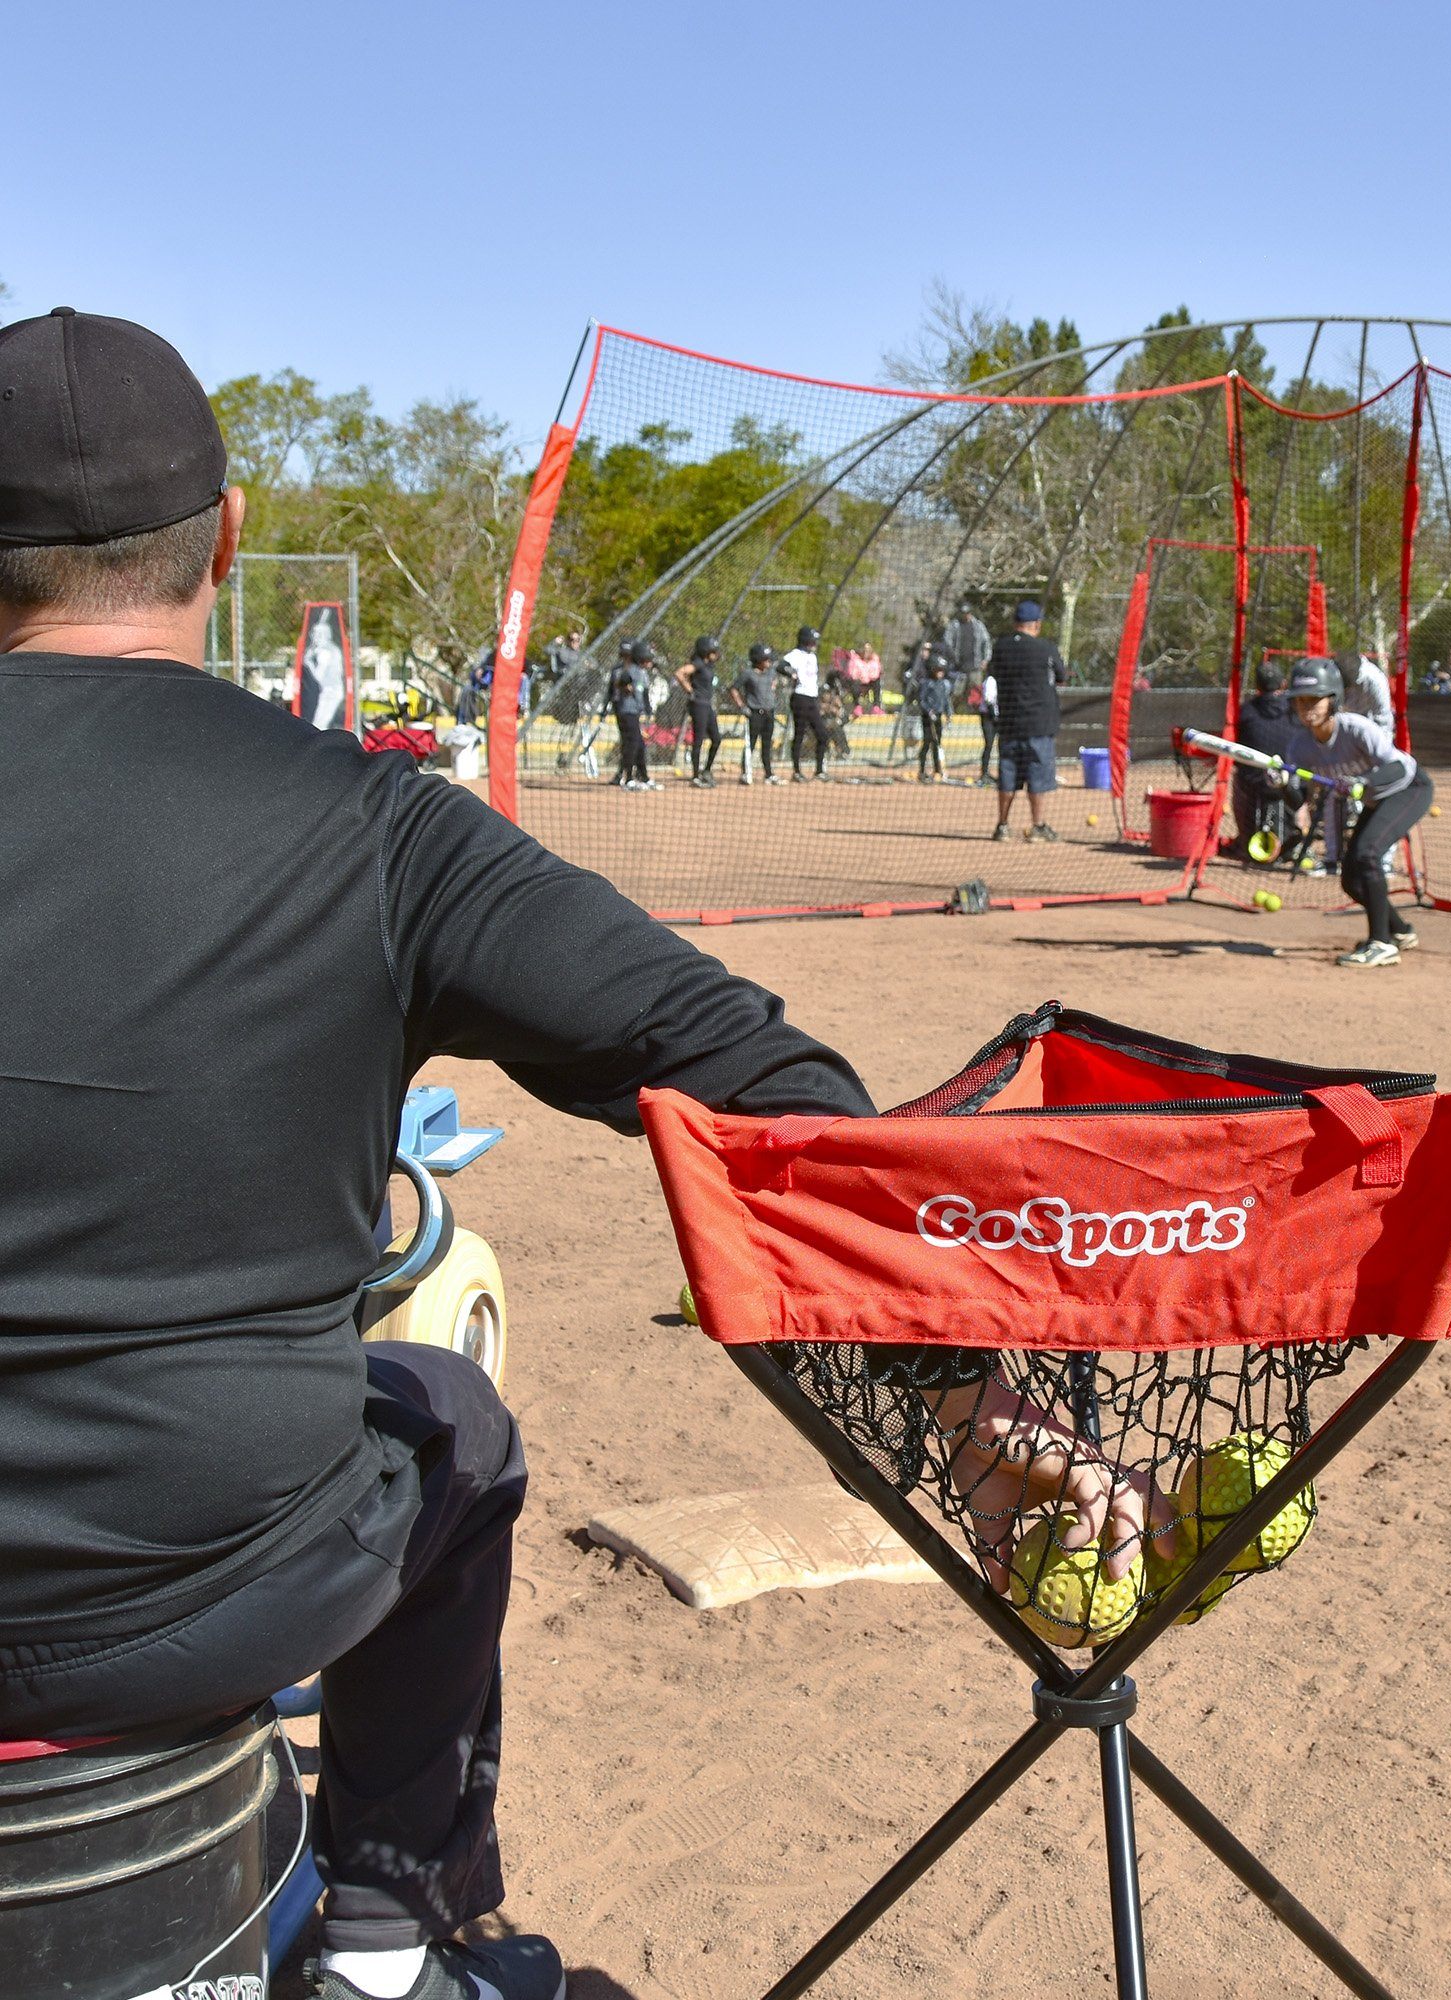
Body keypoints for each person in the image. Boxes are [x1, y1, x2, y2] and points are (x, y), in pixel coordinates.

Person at [0, 307, 1170, 2000]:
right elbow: (760, 1085)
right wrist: (962, 1394)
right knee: (448, 1418)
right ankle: (393, 1936)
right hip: (219, 1573)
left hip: (189, 1576)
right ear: (231, 535)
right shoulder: (375, 819)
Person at [1287, 658, 1429, 967]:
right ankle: (1400, 930)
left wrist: (1362, 782)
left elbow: (1398, 766)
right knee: (1350, 879)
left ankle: (1381, 943)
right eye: (1299, 701)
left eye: (1314, 700)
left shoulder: (1356, 728)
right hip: (1378, 798)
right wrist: (1282, 784)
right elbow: (1296, 793)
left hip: (1408, 789)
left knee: (1367, 854)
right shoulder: (1300, 745)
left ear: (1333, 700)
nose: (1306, 707)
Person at [988, 600, 1068, 843]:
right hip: (1039, 724)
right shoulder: (1046, 649)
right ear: (1037, 625)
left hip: (1010, 723)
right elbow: (1062, 677)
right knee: (1038, 777)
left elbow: (992, 673)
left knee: (1008, 775)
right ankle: (1038, 826)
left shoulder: (1001, 647)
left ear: (1015, 624)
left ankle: (1002, 825)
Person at [1230, 656, 1311, 853]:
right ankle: (1299, 835)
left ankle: (1245, 835)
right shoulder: (1296, 710)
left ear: (1257, 686)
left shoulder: (1245, 711)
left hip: (1255, 784)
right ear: (1283, 684)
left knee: (1238, 774)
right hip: (1291, 787)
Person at [783, 625, 831, 782]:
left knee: (822, 735)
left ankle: (819, 771)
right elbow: (781, 665)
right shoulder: (795, 654)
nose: (814, 644)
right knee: (799, 734)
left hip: (812, 698)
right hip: (800, 697)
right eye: (812, 641)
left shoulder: (813, 656)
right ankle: (796, 771)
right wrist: (792, 673)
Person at [675, 634, 723, 787]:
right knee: (699, 740)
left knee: (716, 738)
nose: (716, 654)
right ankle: (695, 776)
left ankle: (706, 770)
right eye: (713, 651)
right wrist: (690, 691)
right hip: (698, 704)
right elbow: (679, 673)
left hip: (707, 704)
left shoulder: (708, 666)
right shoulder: (699, 663)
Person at [604, 643, 654, 789]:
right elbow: (620, 683)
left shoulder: (642, 673)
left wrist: (648, 711)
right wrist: (625, 686)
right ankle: (628, 778)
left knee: (639, 745)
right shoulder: (629, 670)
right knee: (632, 744)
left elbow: (644, 694)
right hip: (626, 712)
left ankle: (643, 776)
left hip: (636, 712)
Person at [733, 640, 779, 784]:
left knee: (767, 745)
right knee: (750, 744)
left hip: (769, 713)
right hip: (754, 713)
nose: (768, 661)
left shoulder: (771, 672)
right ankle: (746, 773)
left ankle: (769, 774)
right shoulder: (748, 673)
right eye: (765, 658)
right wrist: (742, 706)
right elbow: (733, 689)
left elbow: (775, 682)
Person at [915, 653, 954, 780]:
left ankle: (938, 769)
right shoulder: (927, 683)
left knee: (937, 743)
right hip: (928, 718)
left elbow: (946, 701)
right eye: (938, 670)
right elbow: (922, 701)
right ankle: (921, 771)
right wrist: (929, 711)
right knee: (927, 743)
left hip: (938, 717)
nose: (940, 672)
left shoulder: (943, 684)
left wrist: (948, 715)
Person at [941, 600, 991, 696]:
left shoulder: (978, 626)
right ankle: (953, 711)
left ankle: (974, 711)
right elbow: (947, 641)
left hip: (975, 667)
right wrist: (952, 657)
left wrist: (985, 659)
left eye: (967, 613)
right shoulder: (954, 625)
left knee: (976, 695)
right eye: (963, 613)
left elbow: (986, 642)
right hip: (958, 667)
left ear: (970, 613)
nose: (965, 615)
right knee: (955, 694)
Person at [1338, 650, 1394, 734]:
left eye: (1348, 688)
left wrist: (1381, 745)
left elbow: (1383, 719)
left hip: (1368, 729)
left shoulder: (1375, 679)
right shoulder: (1334, 672)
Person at [977, 666, 1000, 782]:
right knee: (989, 744)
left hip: (998, 716)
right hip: (988, 717)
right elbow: (989, 700)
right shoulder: (990, 680)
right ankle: (984, 773)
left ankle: (1002, 773)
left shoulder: (1001, 680)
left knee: (1002, 745)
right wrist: (994, 717)